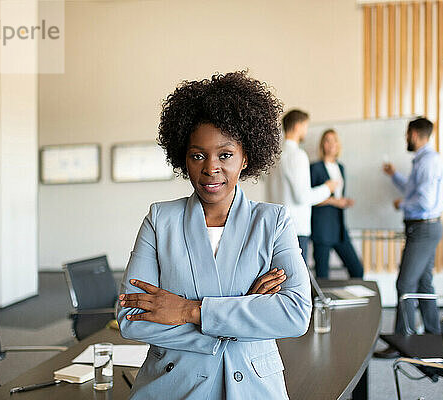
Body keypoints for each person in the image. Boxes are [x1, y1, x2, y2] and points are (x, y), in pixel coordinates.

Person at [117, 72, 312, 399]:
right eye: (198, 155)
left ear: (245, 157)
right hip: (172, 385)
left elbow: (294, 314)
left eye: (225, 155)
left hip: (254, 386)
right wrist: (245, 313)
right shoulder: (160, 220)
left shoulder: (273, 221)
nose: (210, 168)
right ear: (184, 158)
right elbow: (131, 318)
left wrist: (188, 310)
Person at [375, 117, 443, 358]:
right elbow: (414, 189)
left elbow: (424, 200)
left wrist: (402, 203)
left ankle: (401, 343)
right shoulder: (425, 160)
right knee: (424, 284)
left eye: (407, 134)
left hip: (423, 229)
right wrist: (395, 176)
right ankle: (434, 336)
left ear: (415, 134)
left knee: (405, 285)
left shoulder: (427, 162)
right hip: (426, 228)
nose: (406, 139)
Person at [267, 109, 337, 266]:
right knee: (297, 285)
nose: (306, 131)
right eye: (306, 126)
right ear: (298, 127)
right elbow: (302, 197)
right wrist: (327, 188)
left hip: (275, 228)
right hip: (296, 229)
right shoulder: (298, 155)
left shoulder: (274, 156)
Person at [309, 129, 363, 279]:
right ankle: (323, 303)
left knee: (357, 270)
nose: (331, 144)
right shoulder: (315, 168)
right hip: (322, 227)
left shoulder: (341, 168)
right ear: (322, 145)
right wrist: (334, 201)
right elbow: (309, 198)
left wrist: (343, 202)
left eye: (334, 140)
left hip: (339, 227)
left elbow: (339, 196)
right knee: (322, 276)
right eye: (327, 140)